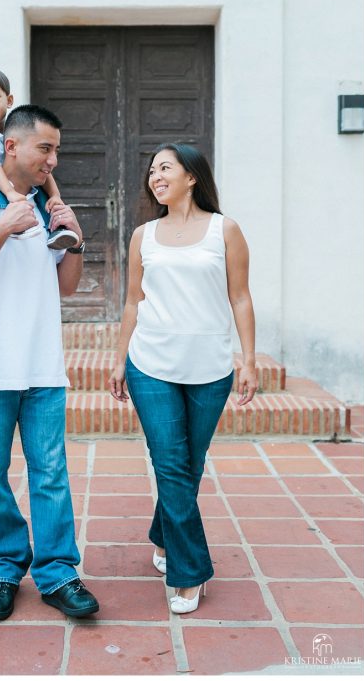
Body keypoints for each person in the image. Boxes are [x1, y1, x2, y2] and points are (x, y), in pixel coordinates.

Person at [0, 104, 99, 620]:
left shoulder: (41, 205)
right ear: (11, 146)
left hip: (43, 369)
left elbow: (66, 288)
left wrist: (74, 240)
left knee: (51, 474)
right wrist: (4, 226)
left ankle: (57, 574)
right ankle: (3, 568)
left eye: (56, 150)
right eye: (45, 148)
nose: (53, 160)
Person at [109, 142, 257, 614]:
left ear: (191, 176)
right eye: (151, 170)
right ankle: (190, 573)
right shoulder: (143, 236)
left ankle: (163, 533)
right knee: (170, 463)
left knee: (189, 463)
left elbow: (240, 297)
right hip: (151, 362)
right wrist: (118, 360)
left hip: (210, 367)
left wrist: (248, 360)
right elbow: (133, 301)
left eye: (165, 168)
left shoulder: (224, 231)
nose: (155, 176)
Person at [0, 66, 79, 249]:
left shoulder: (16, 130)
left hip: (1, 180)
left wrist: (55, 196)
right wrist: (10, 193)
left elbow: (43, 166)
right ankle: (5, 217)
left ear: (9, 100)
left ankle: (56, 230)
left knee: (38, 180)